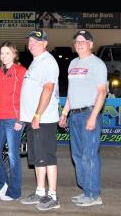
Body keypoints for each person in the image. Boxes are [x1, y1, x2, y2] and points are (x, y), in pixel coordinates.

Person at [59, 30, 107, 207]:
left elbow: (102, 92)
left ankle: (94, 195)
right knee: (77, 156)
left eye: (83, 41)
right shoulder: (72, 63)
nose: (79, 44)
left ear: (91, 44)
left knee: (89, 156)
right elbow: (71, 93)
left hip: (89, 113)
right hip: (74, 115)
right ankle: (86, 190)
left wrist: (93, 116)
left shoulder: (97, 64)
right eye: (77, 41)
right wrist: (64, 113)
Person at [19, 29, 60, 211]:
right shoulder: (36, 62)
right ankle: (40, 191)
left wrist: (37, 115)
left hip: (43, 119)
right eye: (30, 41)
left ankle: (52, 195)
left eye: (36, 41)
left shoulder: (48, 62)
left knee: (47, 157)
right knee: (38, 159)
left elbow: (48, 89)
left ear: (45, 43)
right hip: (33, 120)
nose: (31, 43)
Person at [0, 41, 26, 201]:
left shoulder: (21, 71)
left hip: (13, 119)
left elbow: (26, 96)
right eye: (2, 53)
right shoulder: (0, 71)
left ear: (14, 54)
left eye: (7, 53)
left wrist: (21, 119)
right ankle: (2, 183)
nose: (4, 56)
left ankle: (14, 191)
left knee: (13, 156)